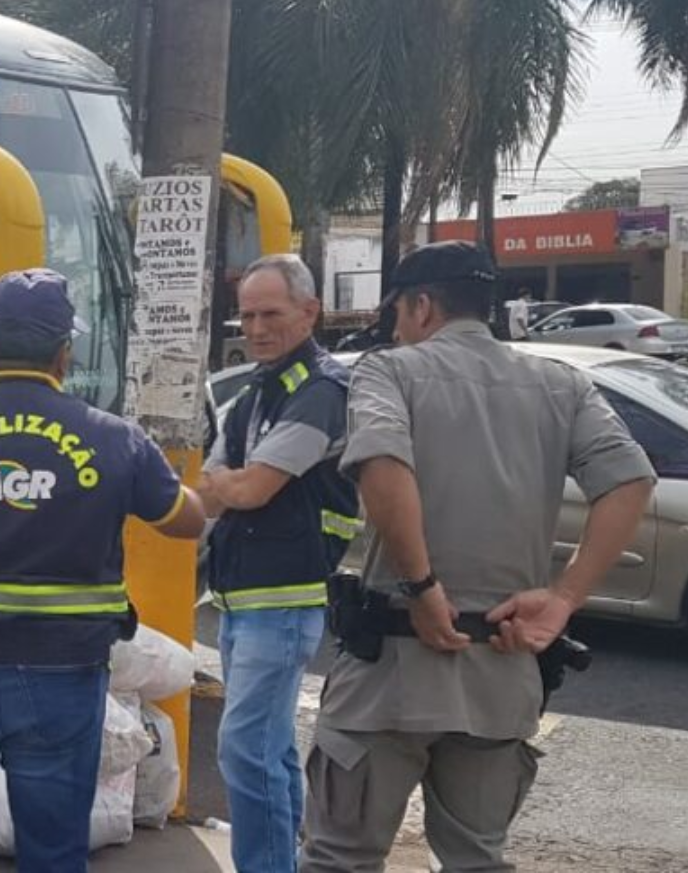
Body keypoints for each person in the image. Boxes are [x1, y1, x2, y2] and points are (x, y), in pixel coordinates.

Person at [301, 241, 656, 873]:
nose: (397, 330)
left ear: (421, 306)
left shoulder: (390, 371)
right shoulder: (561, 384)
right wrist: (565, 598)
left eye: (397, 314)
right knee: (477, 860)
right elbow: (631, 481)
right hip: (501, 675)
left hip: (391, 674)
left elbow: (382, 463)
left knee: (339, 860)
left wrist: (422, 587)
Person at [0, 268, 207, 872]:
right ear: (63, 354)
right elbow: (187, 521)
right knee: (53, 855)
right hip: (63, 674)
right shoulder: (117, 440)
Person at [196, 255, 360, 873]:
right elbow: (213, 488)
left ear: (310, 312)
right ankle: (286, 861)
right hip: (245, 598)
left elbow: (249, 488)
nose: (257, 329)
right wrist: (229, 482)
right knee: (269, 747)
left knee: (244, 750)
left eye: (271, 314)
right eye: (247, 316)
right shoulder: (257, 391)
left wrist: (232, 480)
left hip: (285, 596)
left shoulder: (321, 390)